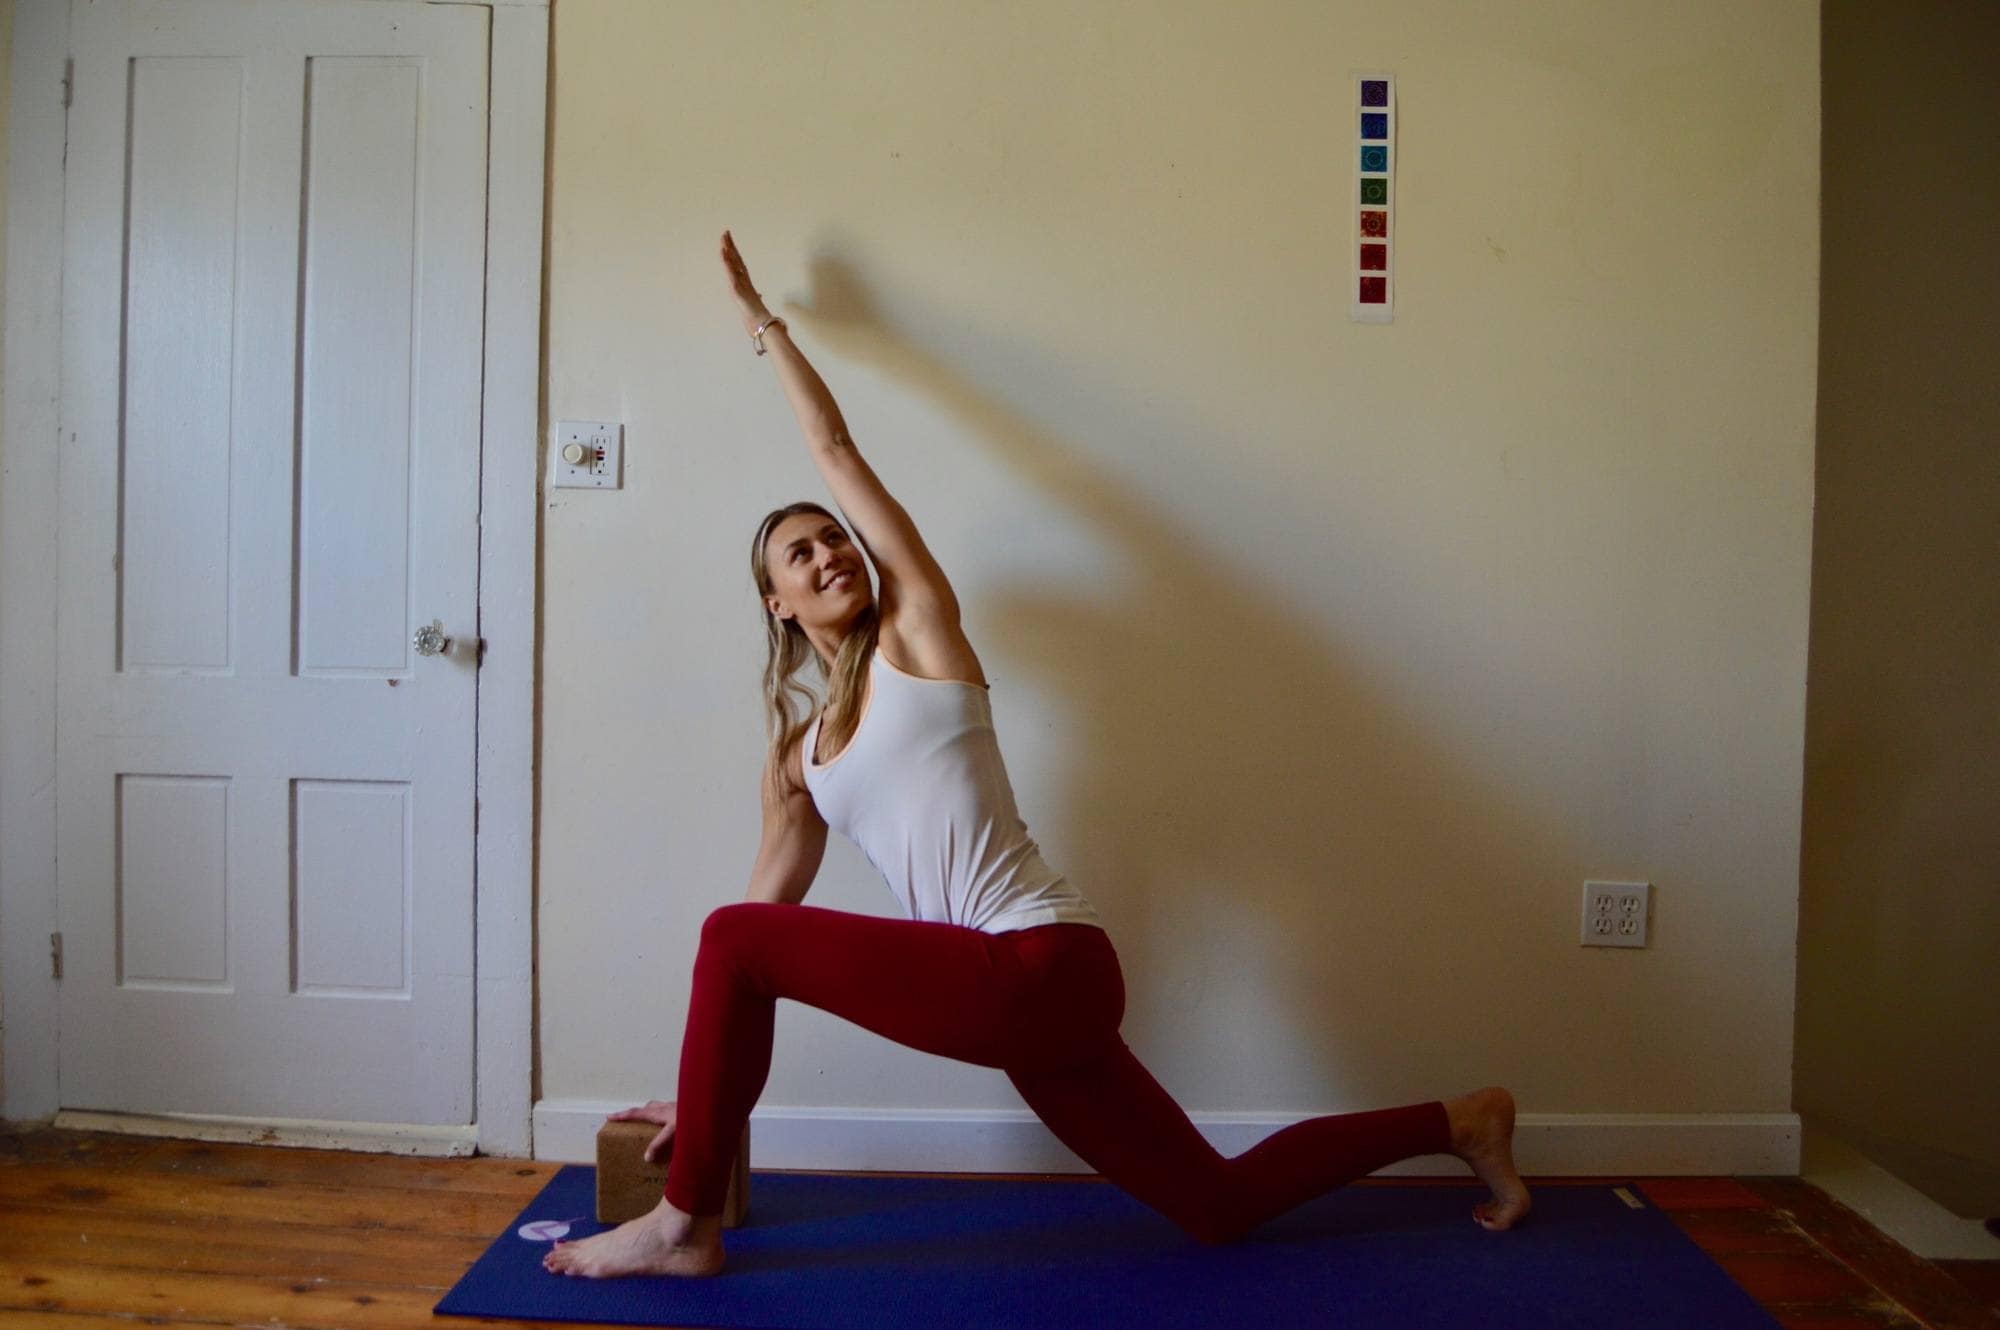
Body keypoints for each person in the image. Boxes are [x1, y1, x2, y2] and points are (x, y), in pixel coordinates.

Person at [544, 231, 1531, 1279]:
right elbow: (753, 939)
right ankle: (1460, 1120)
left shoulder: (918, 635)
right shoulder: (796, 758)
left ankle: (680, 1226)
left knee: (729, 939)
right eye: (800, 553)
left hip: (1039, 962)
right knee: (1214, 1202)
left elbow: (834, 450)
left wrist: (761, 323)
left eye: (832, 539)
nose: (828, 553)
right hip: (1022, 1002)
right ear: (773, 602)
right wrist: (693, 1097)